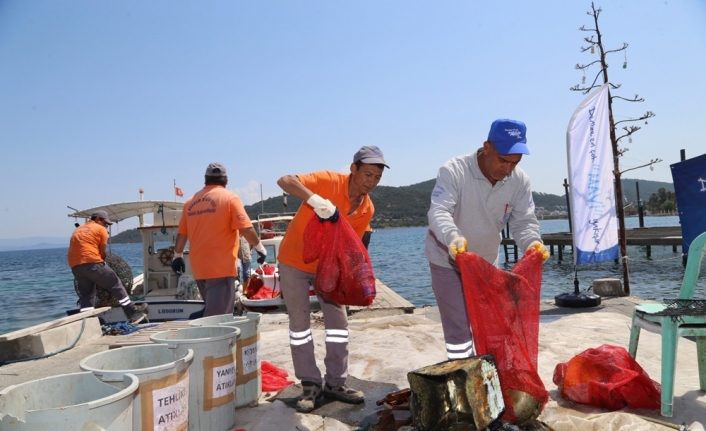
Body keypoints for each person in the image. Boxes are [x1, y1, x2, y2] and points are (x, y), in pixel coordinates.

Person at [425, 119, 549, 360]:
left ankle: (490, 375)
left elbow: (523, 222)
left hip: (486, 264)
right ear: (487, 147)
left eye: (515, 162)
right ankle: (462, 373)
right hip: (447, 260)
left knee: (492, 323)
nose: (508, 169)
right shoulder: (454, 170)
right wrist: (453, 238)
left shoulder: (520, 180)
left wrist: (532, 244)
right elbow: (438, 211)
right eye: (503, 160)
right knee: (459, 327)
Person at [276, 146, 388, 413]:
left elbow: (350, 247)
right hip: (294, 261)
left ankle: (335, 383)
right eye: (368, 174)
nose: (371, 182)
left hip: (327, 268)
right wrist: (316, 200)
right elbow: (285, 181)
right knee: (300, 325)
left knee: (338, 323)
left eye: (377, 178)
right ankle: (310, 384)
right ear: (353, 168)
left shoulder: (366, 209)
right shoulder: (328, 180)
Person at [171, 162, 267, 316]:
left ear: (205, 180)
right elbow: (246, 228)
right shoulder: (230, 198)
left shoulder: (189, 203)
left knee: (212, 310)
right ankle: (204, 334)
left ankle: (198, 323)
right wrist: (260, 249)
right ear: (226, 181)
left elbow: (182, 234)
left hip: (199, 268)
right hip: (220, 268)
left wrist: (177, 256)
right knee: (219, 318)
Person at [68, 210, 148, 324]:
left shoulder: (78, 229)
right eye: (105, 222)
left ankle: (87, 321)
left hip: (75, 266)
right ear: (97, 219)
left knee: (87, 294)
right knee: (115, 283)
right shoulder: (101, 229)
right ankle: (130, 309)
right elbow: (102, 252)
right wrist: (103, 264)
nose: (106, 225)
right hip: (92, 262)